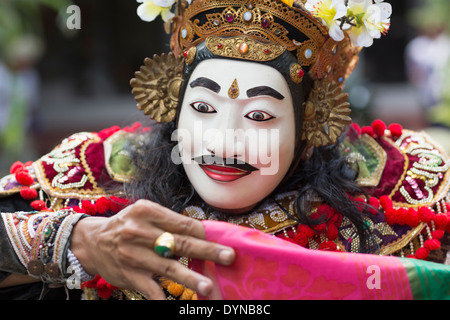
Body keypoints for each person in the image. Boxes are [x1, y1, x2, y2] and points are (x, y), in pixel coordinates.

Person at [0, 0, 449, 300]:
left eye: (258, 116)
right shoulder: (93, 177)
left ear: (312, 123)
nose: (223, 142)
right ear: (172, 103)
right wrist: (74, 241)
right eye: (202, 107)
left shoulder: (397, 196)